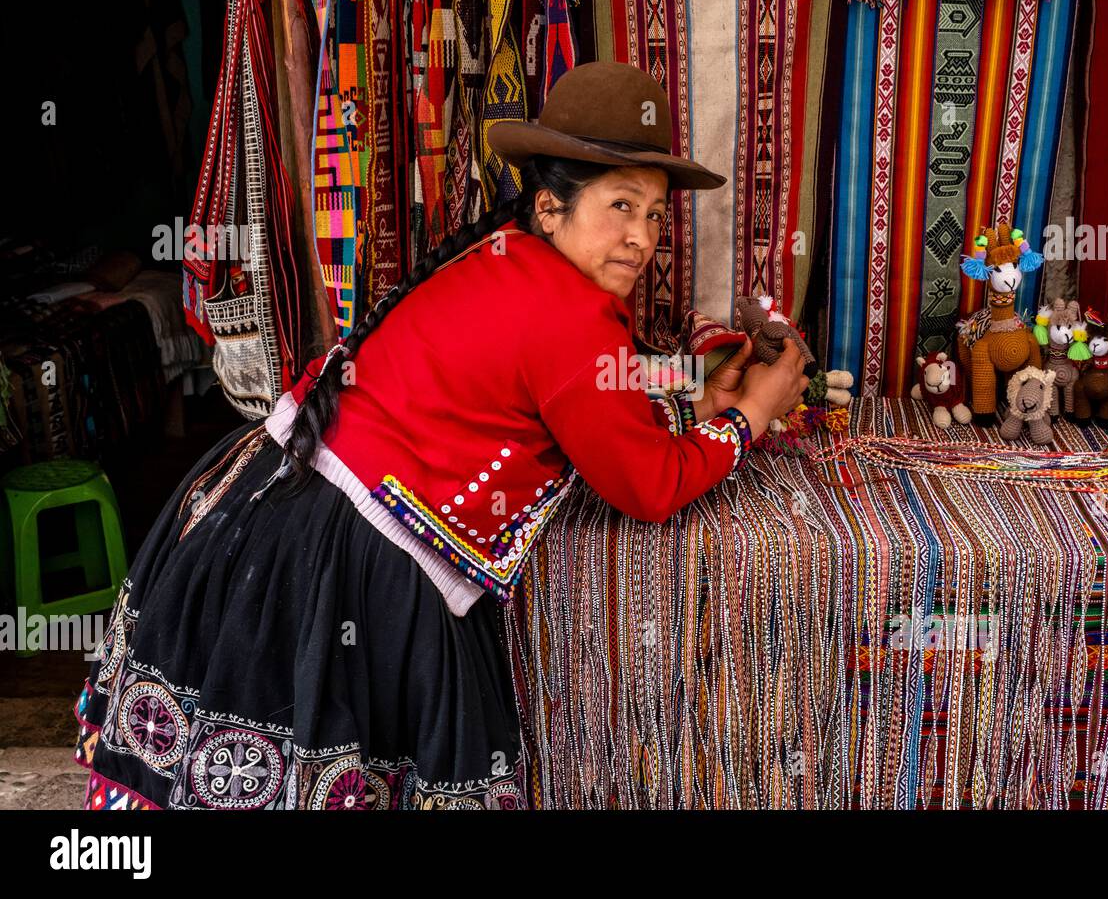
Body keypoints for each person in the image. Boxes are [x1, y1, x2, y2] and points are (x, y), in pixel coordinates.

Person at [72, 61, 809, 810]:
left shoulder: (509, 260)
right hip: (344, 553)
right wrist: (750, 416)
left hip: (280, 501)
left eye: (654, 214)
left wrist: (697, 404)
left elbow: (573, 398)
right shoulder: (568, 312)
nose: (642, 237)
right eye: (621, 205)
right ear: (551, 208)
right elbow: (648, 487)